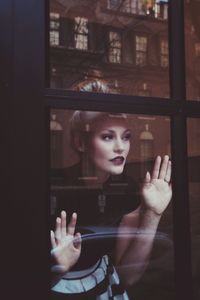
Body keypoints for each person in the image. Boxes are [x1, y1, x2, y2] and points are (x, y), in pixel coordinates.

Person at [50, 81, 172, 299]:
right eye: (108, 136)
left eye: (126, 136)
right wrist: (57, 267)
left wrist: (152, 214)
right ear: (80, 142)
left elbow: (129, 275)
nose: (120, 147)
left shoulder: (125, 189)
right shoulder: (54, 188)